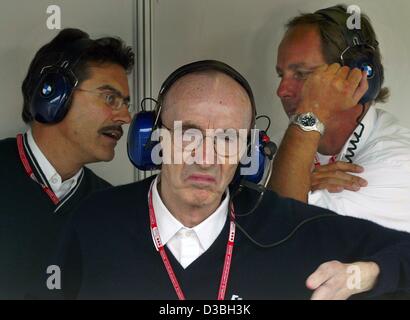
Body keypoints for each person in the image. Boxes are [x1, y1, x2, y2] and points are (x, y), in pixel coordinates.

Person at [47, 60, 410, 300]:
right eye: (188, 133)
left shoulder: (290, 227)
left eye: (226, 138)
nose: (205, 156)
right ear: (154, 139)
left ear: (247, 152)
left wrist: (368, 274)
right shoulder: (93, 219)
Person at [0, 28, 134, 299]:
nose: (125, 117)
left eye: (125, 103)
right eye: (110, 98)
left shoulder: (109, 207)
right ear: (53, 95)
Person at [270, 5, 410, 232]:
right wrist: (304, 182)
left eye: (301, 74)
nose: (282, 90)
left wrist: (310, 115)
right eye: (281, 75)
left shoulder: (399, 165)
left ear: (358, 76)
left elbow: (282, 232)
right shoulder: (279, 145)